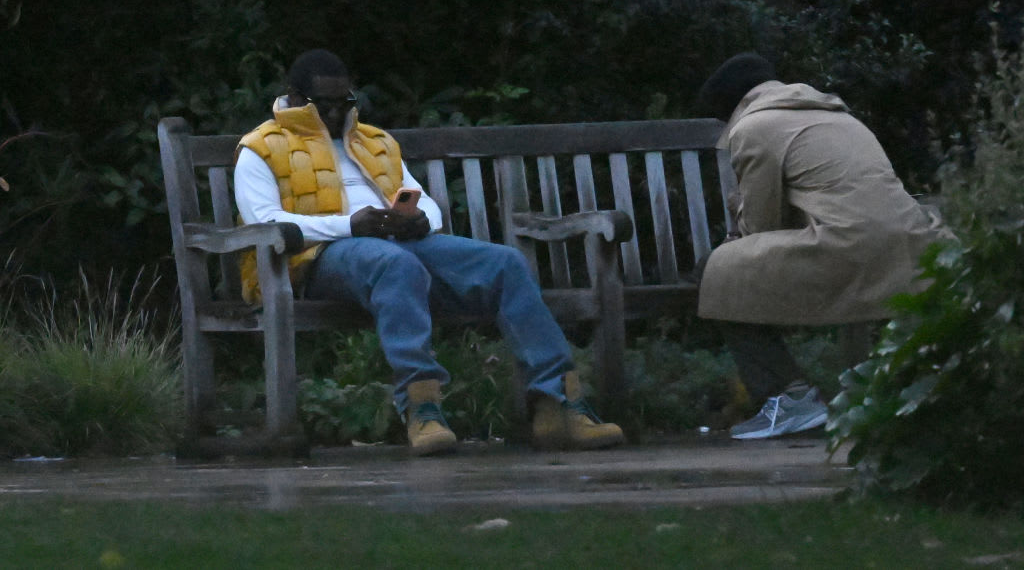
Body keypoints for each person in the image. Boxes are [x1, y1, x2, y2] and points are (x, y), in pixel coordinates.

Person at [233, 48, 624, 455]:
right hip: (316, 258)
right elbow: (266, 220)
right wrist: (350, 225)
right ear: (295, 99)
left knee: (504, 263)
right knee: (394, 263)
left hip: (397, 248)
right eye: (323, 105)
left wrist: (423, 220)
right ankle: (423, 410)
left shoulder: (374, 141)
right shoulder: (260, 147)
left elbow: (418, 195)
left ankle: (558, 406)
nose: (335, 114)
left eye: (344, 103)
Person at [693, 52, 946, 439]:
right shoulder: (837, 116)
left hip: (848, 250)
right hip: (911, 245)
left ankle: (789, 397)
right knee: (731, 268)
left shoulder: (755, 127)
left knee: (718, 271)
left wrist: (736, 213)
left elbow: (760, 228)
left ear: (729, 110)